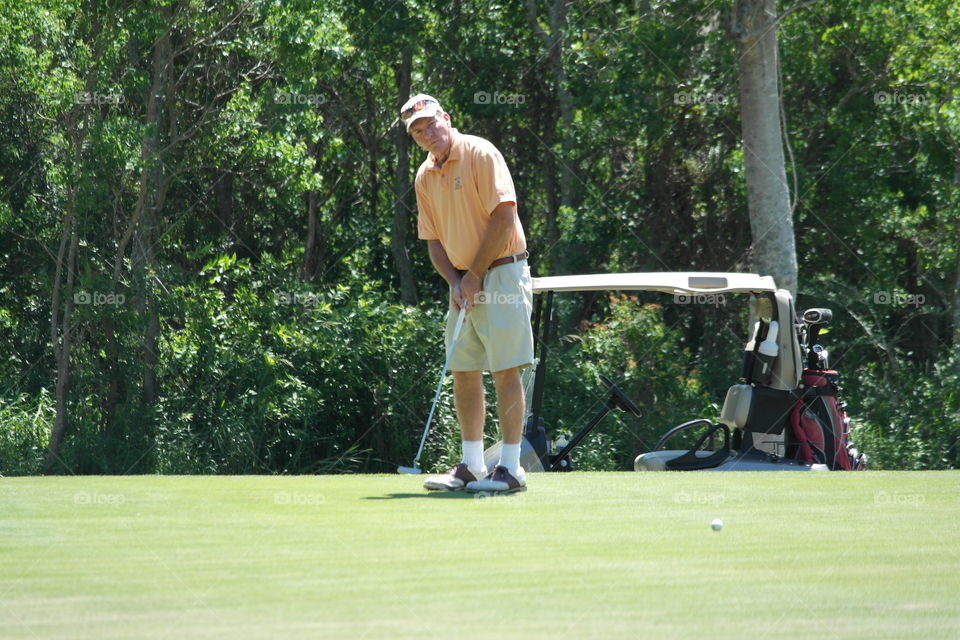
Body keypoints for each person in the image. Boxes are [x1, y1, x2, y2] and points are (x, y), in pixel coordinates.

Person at [401, 93, 534, 494]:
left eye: (431, 124)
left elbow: (504, 215)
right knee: (464, 369)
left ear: (446, 118)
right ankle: (473, 465)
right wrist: (455, 282)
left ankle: (510, 468)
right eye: (418, 131)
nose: (427, 134)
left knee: (505, 369)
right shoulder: (425, 176)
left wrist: (474, 275)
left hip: (502, 273)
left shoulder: (479, 152)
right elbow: (433, 240)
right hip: (463, 282)